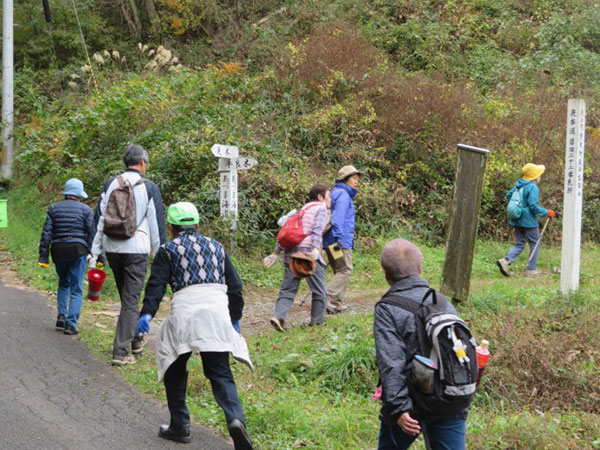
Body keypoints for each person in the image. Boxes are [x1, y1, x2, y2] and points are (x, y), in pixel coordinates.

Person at [136, 202, 253, 450]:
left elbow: (156, 286)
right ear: (198, 224)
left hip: (185, 314)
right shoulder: (217, 247)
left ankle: (179, 425)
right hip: (216, 314)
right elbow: (235, 287)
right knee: (220, 372)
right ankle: (235, 419)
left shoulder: (168, 250)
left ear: (171, 227)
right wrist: (234, 317)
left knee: (174, 364)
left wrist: (147, 313)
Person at [374, 238, 467, 450]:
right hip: (449, 398)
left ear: (386, 275)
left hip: (410, 402)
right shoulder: (443, 302)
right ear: (420, 269)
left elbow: (391, 361)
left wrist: (398, 408)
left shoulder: (387, 308)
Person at [90, 144, 166, 366]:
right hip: (136, 249)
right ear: (142, 162)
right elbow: (155, 225)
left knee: (127, 297)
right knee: (131, 299)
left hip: (112, 248)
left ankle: (135, 339)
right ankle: (121, 351)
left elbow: (99, 220)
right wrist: (160, 256)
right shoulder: (149, 188)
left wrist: (94, 253)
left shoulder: (110, 183)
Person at [265, 184, 331, 331]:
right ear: (320, 197)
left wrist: (276, 252)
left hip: (290, 254)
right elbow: (317, 231)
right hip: (307, 255)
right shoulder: (320, 209)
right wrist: (315, 249)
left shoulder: (302, 210)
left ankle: (278, 317)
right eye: (328, 196)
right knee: (320, 290)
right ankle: (317, 322)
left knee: (287, 290)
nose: (330, 200)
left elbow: (287, 231)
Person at [38, 178, 95, 335]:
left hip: (58, 249)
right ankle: (71, 324)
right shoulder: (86, 210)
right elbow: (92, 233)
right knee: (76, 289)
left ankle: (61, 316)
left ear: (67, 192)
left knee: (64, 284)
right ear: (79, 194)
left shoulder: (54, 208)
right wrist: (95, 254)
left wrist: (43, 256)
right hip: (78, 250)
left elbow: (46, 234)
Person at [496, 163, 555, 278]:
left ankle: (506, 260)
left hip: (517, 218)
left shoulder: (519, 184)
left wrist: (519, 205)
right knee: (535, 243)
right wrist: (547, 212)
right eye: (539, 174)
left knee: (520, 243)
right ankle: (531, 269)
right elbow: (533, 206)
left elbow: (509, 195)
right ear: (535, 176)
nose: (540, 176)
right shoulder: (532, 186)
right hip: (528, 220)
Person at [322, 165, 363, 313]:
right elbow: (338, 218)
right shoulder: (344, 195)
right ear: (345, 179)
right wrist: (339, 238)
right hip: (338, 241)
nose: (356, 182)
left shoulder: (334, 193)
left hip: (330, 240)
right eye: (353, 178)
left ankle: (336, 304)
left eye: (357, 179)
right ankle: (327, 297)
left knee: (339, 269)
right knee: (345, 269)